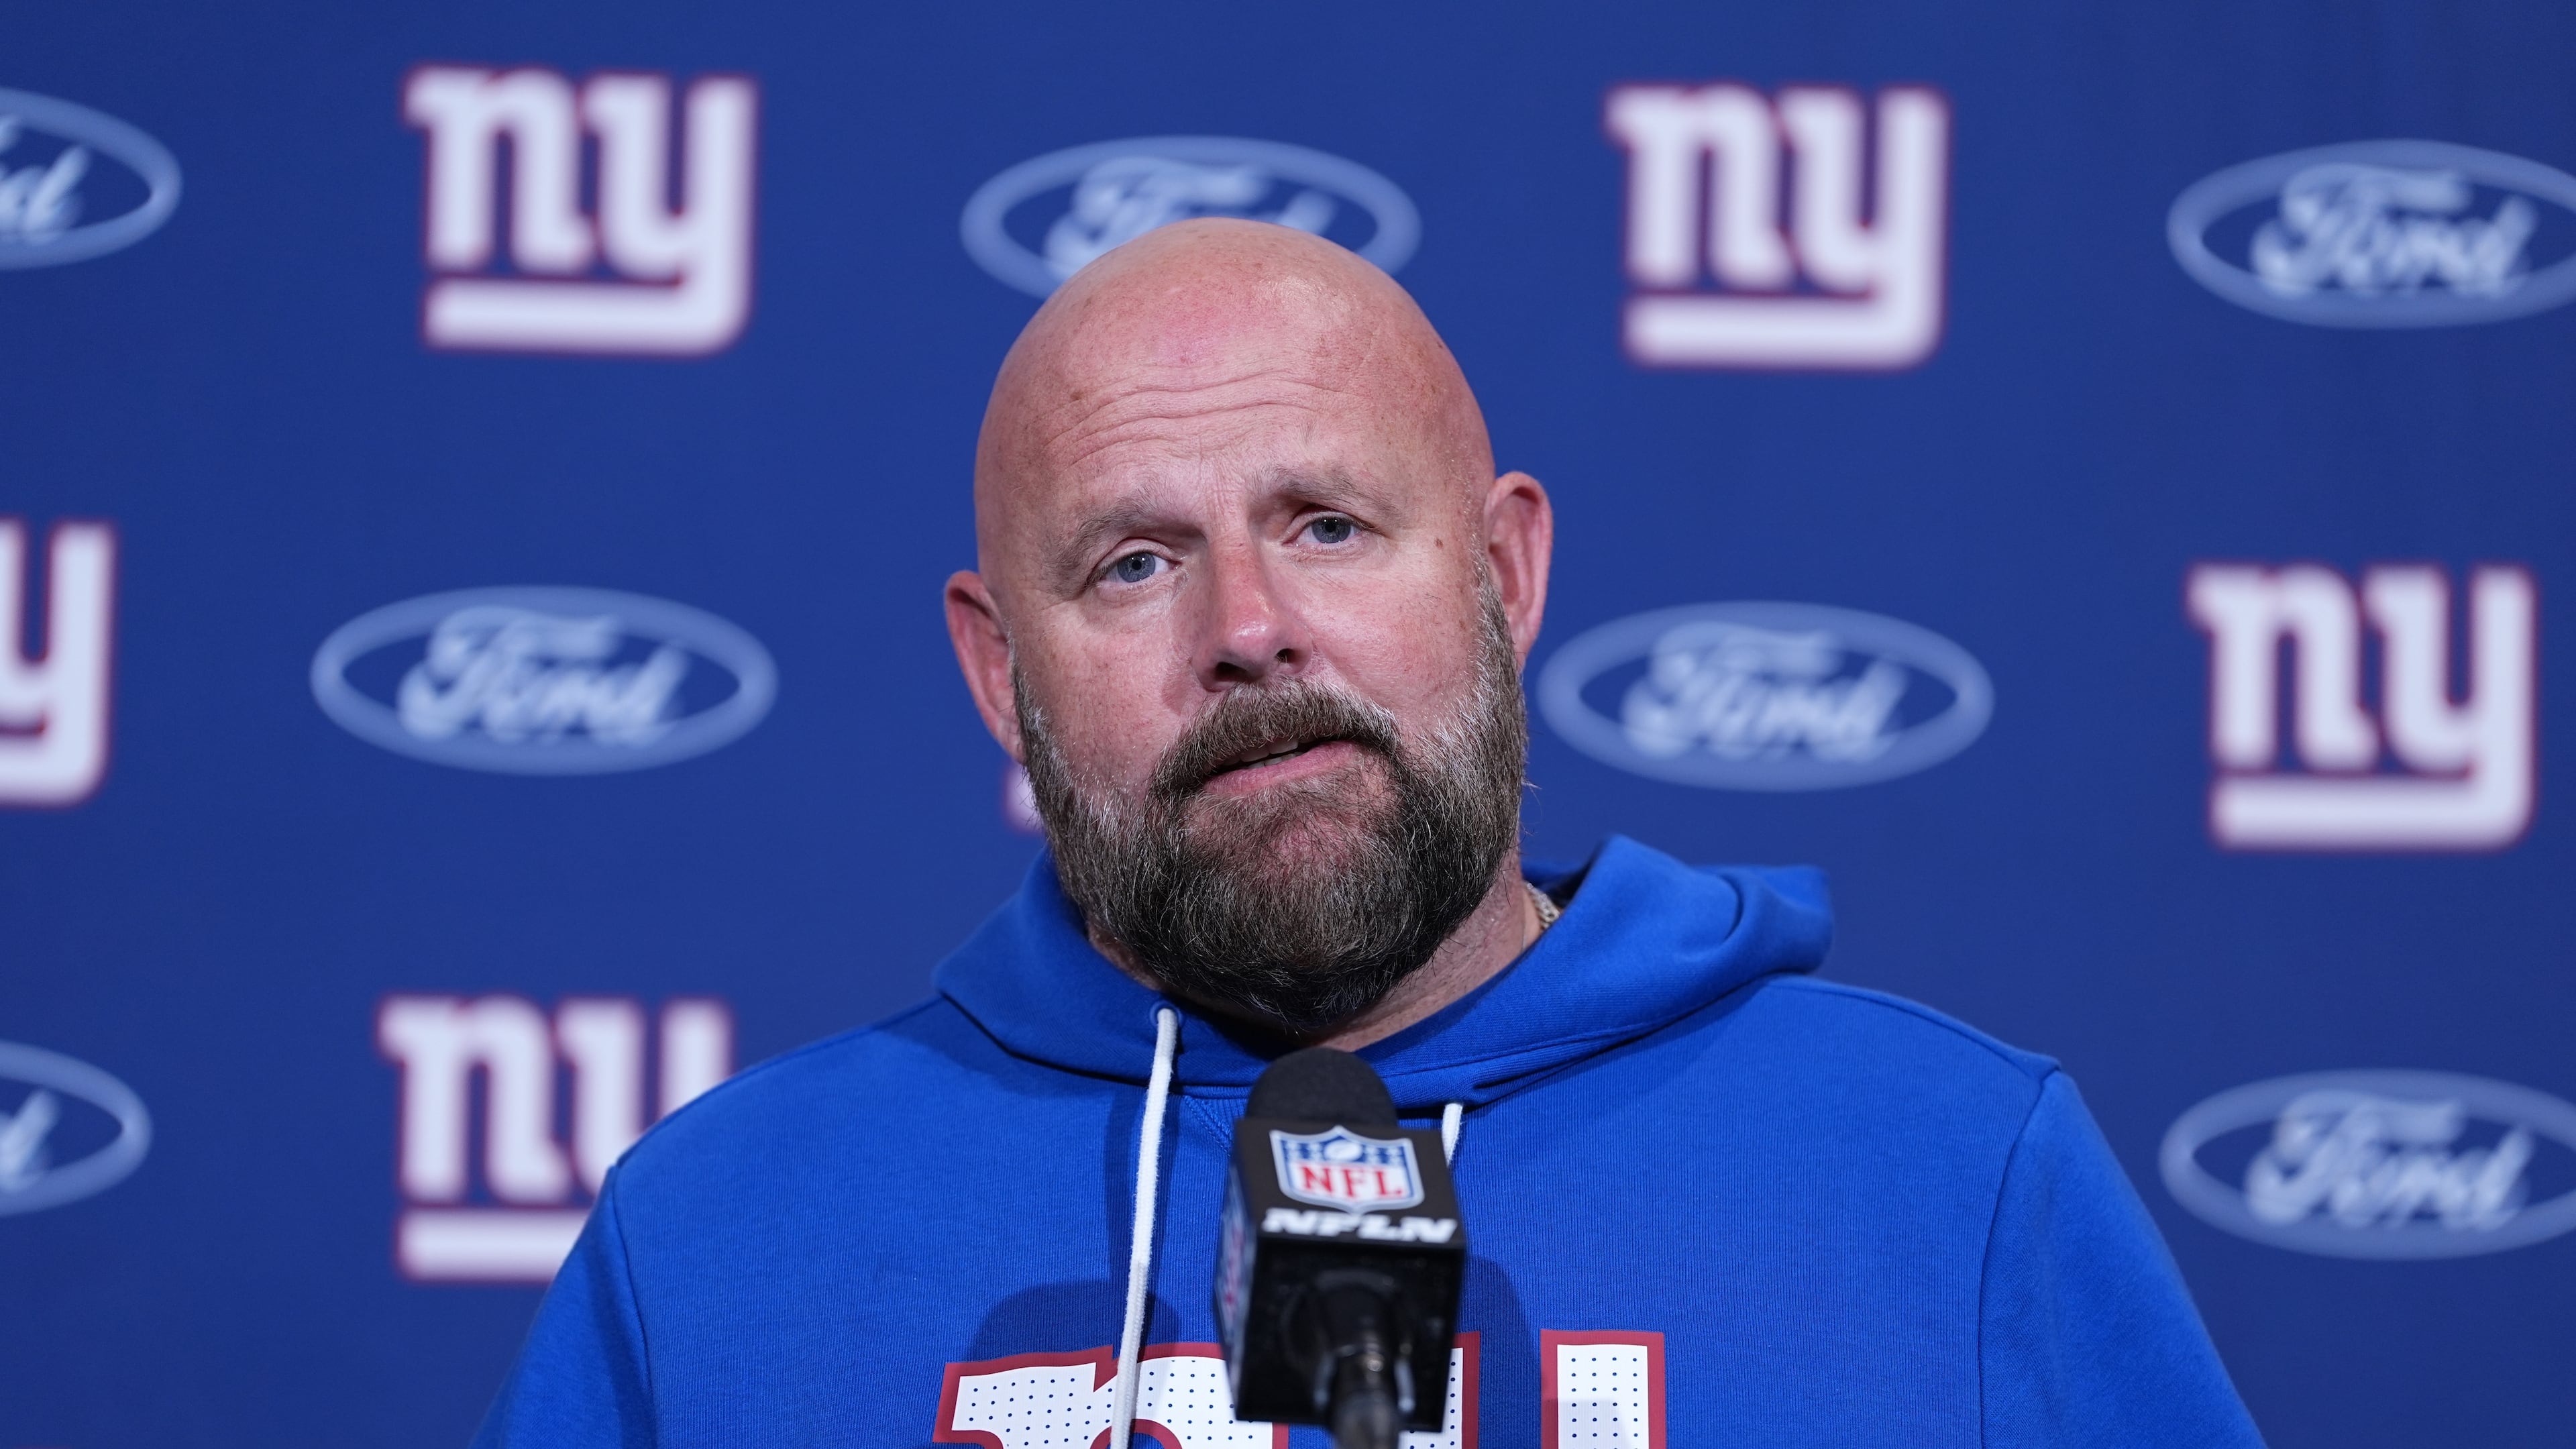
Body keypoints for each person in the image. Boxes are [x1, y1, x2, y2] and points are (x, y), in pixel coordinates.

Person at [472, 219, 2265, 1449]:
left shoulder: (1948, 1176)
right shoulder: (717, 1237)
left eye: (1327, 524)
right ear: (997, 669)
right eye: (1135, 563)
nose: (1247, 625)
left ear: (1501, 575)